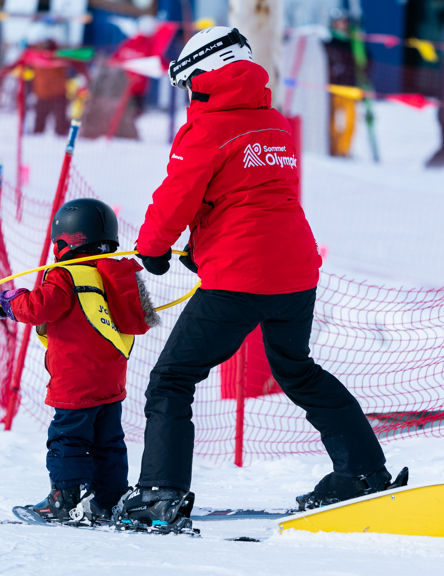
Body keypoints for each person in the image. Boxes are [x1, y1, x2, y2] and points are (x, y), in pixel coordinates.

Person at [122, 26, 408, 531]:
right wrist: (202, 248)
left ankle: (159, 496)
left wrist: (153, 249)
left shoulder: (206, 126)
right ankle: (364, 473)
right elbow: (254, 199)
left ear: (205, 75)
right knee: (298, 370)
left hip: (239, 277)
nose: (189, 95)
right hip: (295, 273)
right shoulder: (274, 123)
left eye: (189, 84)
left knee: (171, 380)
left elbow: (177, 197)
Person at [0, 198, 160, 524]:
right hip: (110, 382)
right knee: (108, 442)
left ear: (66, 241)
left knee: (68, 439)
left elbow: (39, 308)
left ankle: (67, 500)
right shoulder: (113, 274)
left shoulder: (64, 275)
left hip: (75, 382)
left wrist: (11, 301)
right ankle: (109, 499)